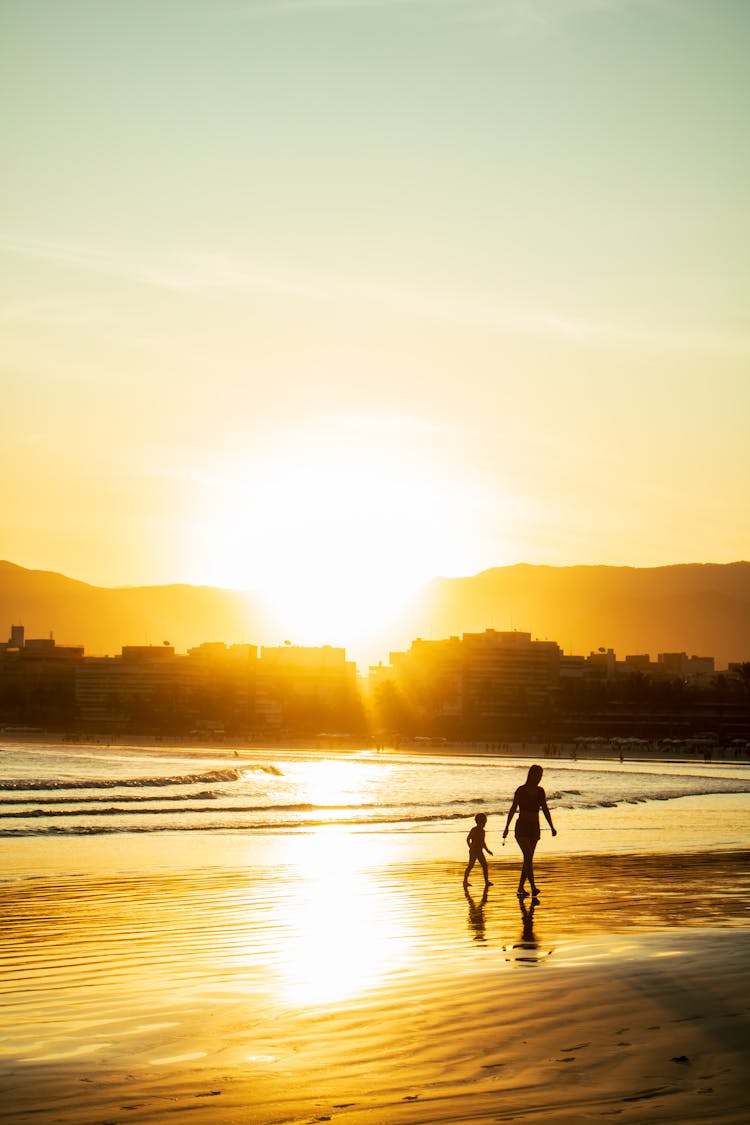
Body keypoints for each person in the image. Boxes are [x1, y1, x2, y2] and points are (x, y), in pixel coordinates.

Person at [502, 764, 556, 899]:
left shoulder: (540, 791)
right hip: (521, 827)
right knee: (528, 856)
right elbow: (513, 808)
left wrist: (552, 827)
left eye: (540, 776)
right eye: (537, 775)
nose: (538, 778)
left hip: (534, 828)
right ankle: (533, 887)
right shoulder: (521, 790)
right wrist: (506, 827)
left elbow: (545, 809)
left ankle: (521, 887)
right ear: (530, 775)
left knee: (528, 859)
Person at [464, 811, 493, 888]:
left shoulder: (483, 831)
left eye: (485, 823)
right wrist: (470, 847)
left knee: (484, 865)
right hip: (473, 851)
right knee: (470, 865)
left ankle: (486, 882)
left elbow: (483, 842)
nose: (484, 824)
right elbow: (468, 839)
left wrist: (488, 851)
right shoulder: (474, 830)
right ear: (478, 822)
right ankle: (465, 881)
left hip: (479, 851)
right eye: (483, 823)